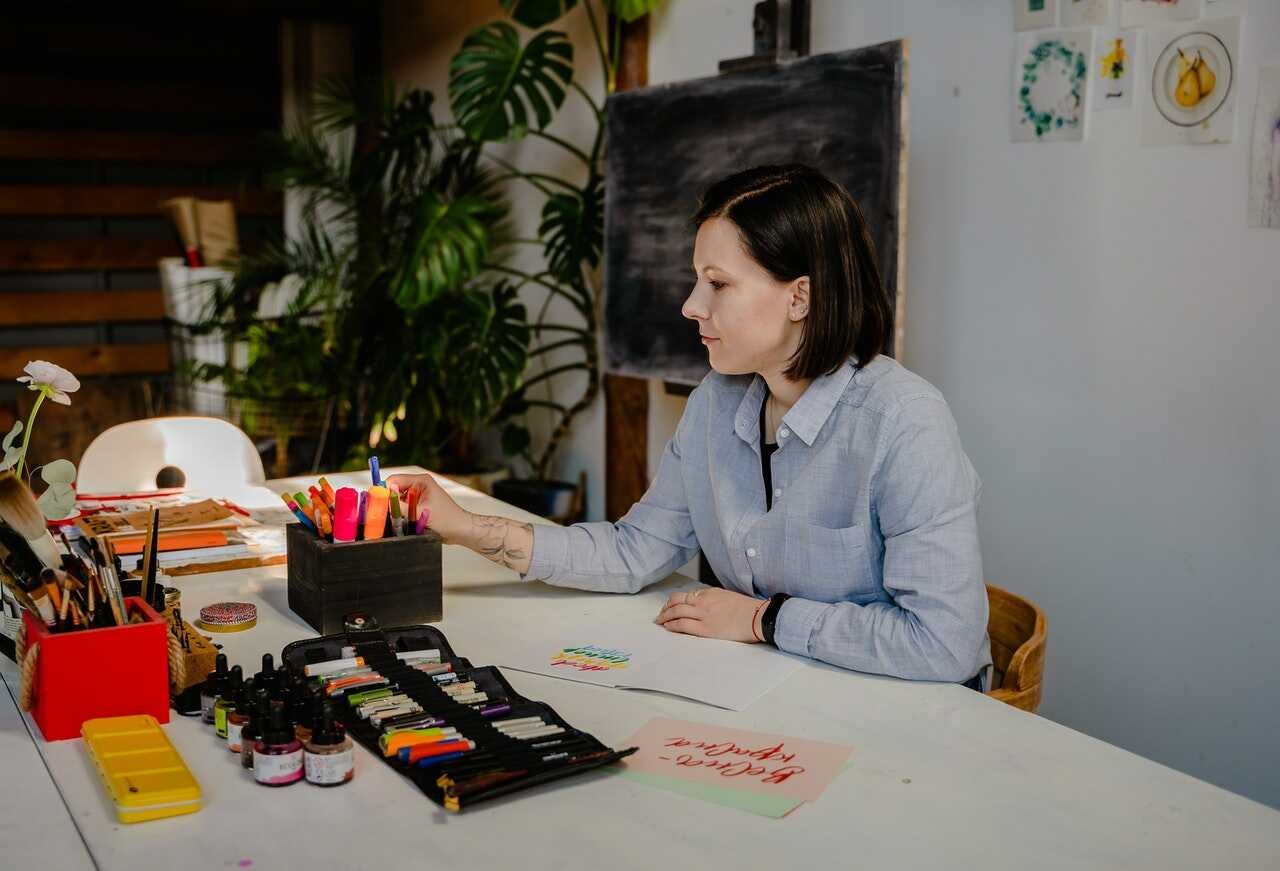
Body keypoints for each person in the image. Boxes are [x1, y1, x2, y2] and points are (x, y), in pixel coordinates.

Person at [389, 164, 990, 686]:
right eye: (698, 279)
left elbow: (942, 642)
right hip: (780, 693)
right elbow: (635, 552)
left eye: (718, 283)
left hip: (901, 718)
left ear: (799, 297)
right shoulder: (716, 402)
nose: (692, 305)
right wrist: (466, 527)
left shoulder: (904, 423)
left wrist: (763, 619)